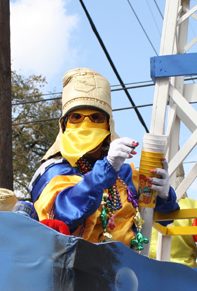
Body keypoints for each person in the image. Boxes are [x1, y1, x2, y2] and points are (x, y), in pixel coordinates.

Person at [30, 68, 178, 251]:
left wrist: (163, 194)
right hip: (74, 271)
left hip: (127, 271)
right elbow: (62, 214)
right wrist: (106, 169)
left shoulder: (124, 173)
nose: (86, 124)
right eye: (76, 117)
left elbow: (164, 215)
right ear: (64, 124)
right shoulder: (53, 170)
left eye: (96, 117)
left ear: (108, 124)